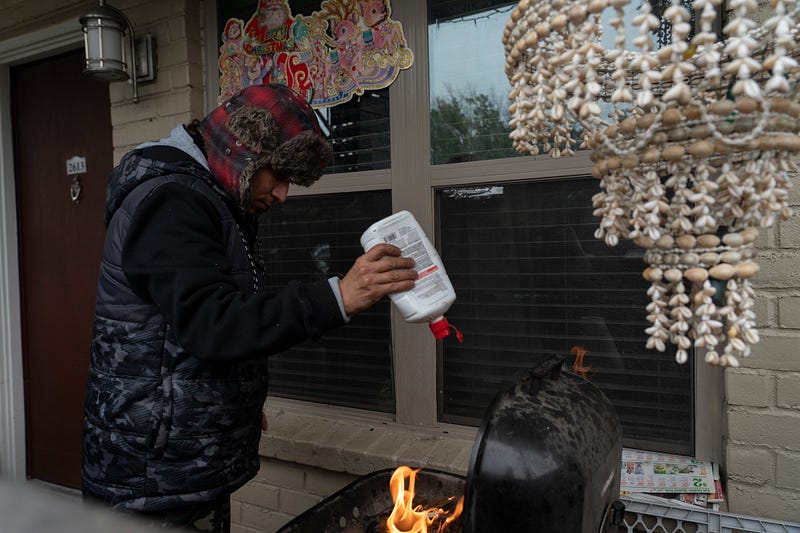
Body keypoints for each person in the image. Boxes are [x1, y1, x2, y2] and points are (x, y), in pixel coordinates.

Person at [81, 83, 417, 531]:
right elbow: (212, 323)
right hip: (150, 480)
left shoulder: (216, 199)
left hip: (187, 463)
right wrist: (338, 296)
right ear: (241, 152)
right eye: (276, 175)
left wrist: (234, 397)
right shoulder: (172, 200)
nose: (282, 194)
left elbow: (204, 326)